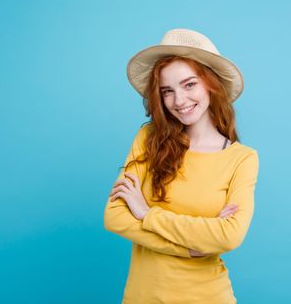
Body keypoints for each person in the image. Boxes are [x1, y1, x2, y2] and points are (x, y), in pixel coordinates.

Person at [103, 28, 259, 303]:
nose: (179, 101)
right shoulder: (148, 139)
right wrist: (193, 247)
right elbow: (114, 217)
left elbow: (229, 235)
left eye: (189, 85)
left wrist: (145, 213)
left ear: (211, 84)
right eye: (167, 91)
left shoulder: (242, 159)